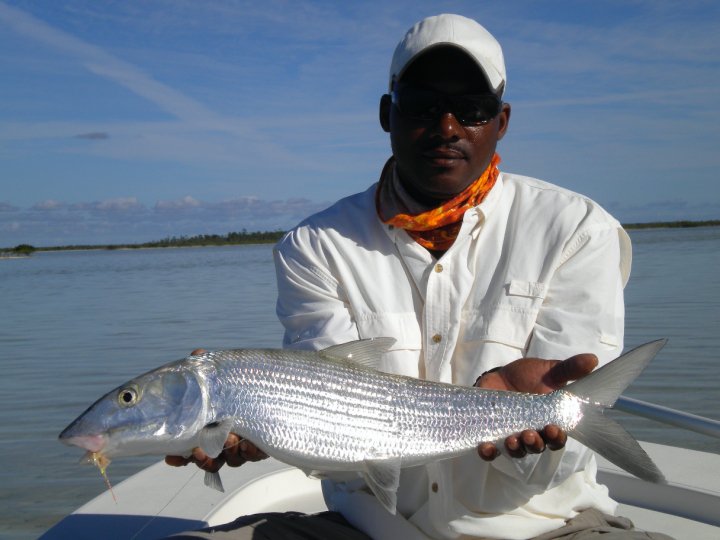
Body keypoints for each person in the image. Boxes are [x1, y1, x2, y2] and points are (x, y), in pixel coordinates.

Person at [166, 14, 672, 540]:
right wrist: (263, 429)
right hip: (365, 528)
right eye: (423, 105)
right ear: (388, 113)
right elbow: (333, 419)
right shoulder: (314, 246)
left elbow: (565, 450)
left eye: (472, 109)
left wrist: (530, 421)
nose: (447, 127)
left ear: (501, 121)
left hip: (549, 525)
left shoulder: (577, 229)